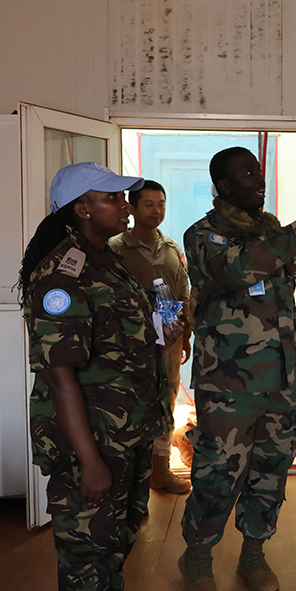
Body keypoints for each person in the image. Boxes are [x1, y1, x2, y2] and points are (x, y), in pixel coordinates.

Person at [178, 146, 296, 591]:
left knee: (270, 471)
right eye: (247, 173)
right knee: (218, 473)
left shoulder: (272, 231)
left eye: (258, 169)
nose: (259, 178)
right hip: (228, 387)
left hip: (281, 382)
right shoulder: (204, 235)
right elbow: (239, 268)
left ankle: (253, 553)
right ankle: (197, 557)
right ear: (224, 185)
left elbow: (286, 303)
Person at [18, 161, 182, 591]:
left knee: (114, 545)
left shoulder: (106, 261)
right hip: (91, 442)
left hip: (126, 433)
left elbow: (115, 339)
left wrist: (160, 334)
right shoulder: (62, 276)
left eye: (123, 197)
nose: (125, 206)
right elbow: (59, 377)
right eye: (112, 198)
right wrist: (90, 462)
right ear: (82, 208)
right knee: (88, 557)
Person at [109, 179, 195, 495]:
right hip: (132, 346)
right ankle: (131, 482)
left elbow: (183, 292)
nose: (156, 210)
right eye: (148, 204)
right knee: (133, 408)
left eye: (161, 204)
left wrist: (185, 335)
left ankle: (160, 471)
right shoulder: (115, 248)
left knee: (166, 404)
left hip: (169, 343)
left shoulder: (171, 248)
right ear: (131, 208)